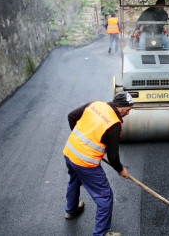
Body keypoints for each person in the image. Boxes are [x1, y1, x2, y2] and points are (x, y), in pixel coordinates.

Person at [63, 92, 134, 236]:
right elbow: (113, 157)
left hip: (70, 152)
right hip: (86, 163)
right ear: (120, 108)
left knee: (75, 180)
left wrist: (80, 140)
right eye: (128, 110)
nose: (128, 113)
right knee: (104, 197)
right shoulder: (114, 124)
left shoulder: (95, 104)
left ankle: (71, 210)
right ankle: (101, 233)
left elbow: (71, 116)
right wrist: (121, 170)